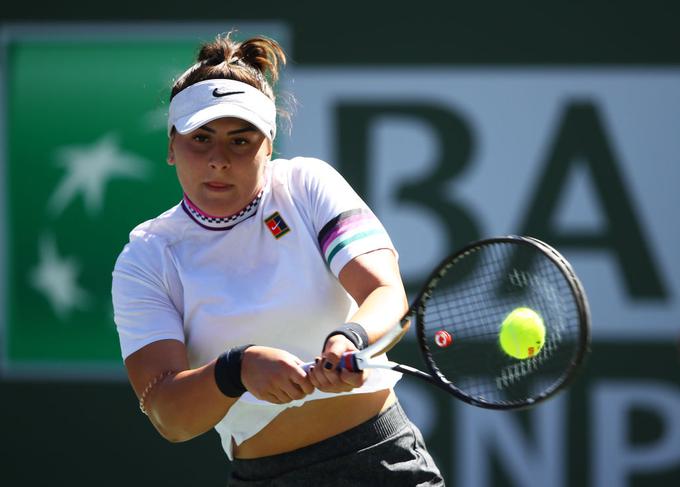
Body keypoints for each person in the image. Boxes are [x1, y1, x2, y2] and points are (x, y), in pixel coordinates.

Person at [112, 31, 444, 486]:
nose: (218, 160)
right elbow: (170, 415)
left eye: (241, 141)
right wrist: (237, 370)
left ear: (269, 146)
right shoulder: (146, 256)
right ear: (172, 146)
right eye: (201, 138)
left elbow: (385, 291)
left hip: (383, 462)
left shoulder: (307, 185)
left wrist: (350, 337)